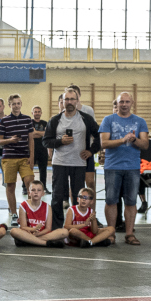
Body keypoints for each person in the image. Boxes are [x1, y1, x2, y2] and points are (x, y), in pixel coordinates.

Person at [43, 87, 100, 230]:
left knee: (78, 196)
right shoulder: (55, 120)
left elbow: (99, 136)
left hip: (79, 163)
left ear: (77, 101)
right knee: (57, 196)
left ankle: (77, 226)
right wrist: (60, 141)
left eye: (72, 99)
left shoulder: (86, 119)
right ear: (62, 101)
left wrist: (91, 151)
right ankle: (56, 228)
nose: (69, 102)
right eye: (66, 99)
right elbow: (46, 141)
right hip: (60, 163)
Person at [99, 92, 149, 245]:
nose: (124, 104)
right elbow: (104, 143)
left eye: (127, 102)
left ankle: (129, 234)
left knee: (131, 201)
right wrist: (123, 140)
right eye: (121, 102)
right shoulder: (108, 120)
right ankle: (111, 233)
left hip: (132, 167)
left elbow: (145, 145)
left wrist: (134, 140)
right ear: (117, 103)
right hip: (113, 166)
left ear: (132, 103)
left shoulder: (140, 121)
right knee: (111, 200)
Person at [0, 94, 36, 227]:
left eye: (18, 103)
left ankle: (31, 212)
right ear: (9, 105)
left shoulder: (27, 119)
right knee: (10, 186)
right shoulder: (4, 121)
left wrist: (32, 157)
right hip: (9, 157)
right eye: (14, 104)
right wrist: (10, 140)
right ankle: (14, 213)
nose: (16, 106)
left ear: (21, 104)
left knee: (30, 183)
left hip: (24, 157)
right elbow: (0, 141)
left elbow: (31, 139)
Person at [11, 180, 69, 247]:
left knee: (64, 232)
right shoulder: (23, 205)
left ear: (43, 193)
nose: (36, 192)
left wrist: (37, 234)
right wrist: (33, 229)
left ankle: (28, 241)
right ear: (29, 193)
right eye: (33, 190)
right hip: (28, 233)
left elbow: (48, 228)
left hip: (41, 234)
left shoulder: (48, 207)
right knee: (13, 231)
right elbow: (23, 227)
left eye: (39, 190)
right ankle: (45, 243)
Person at [67, 84, 99, 192]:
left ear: (79, 96)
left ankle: (92, 203)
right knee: (74, 183)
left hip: (86, 150)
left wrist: (92, 149)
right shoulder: (65, 111)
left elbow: (95, 130)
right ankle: (74, 203)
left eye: (74, 95)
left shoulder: (88, 110)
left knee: (90, 182)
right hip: (71, 151)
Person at [31, 106, 49, 186]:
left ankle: (43, 186)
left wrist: (36, 132)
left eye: (38, 112)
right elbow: (31, 135)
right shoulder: (30, 123)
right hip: (32, 149)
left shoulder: (45, 123)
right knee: (29, 170)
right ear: (32, 113)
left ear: (41, 113)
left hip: (43, 149)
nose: (37, 113)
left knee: (43, 170)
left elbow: (47, 134)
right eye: (35, 112)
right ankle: (26, 187)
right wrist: (42, 133)